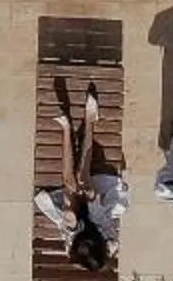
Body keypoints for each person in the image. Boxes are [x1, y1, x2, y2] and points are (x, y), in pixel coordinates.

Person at [32, 84, 129, 267]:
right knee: (83, 178)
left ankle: (66, 128)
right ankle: (90, 120)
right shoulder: (108, 240)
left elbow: (66, 225)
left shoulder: (73, 249)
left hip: (76, 214)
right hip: (98, 209)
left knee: (70, 183)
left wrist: (70, 217)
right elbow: (99, 210)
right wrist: (90, 196)